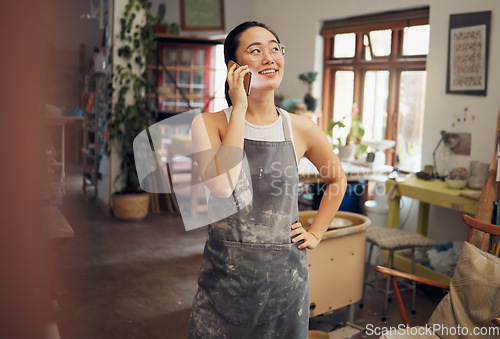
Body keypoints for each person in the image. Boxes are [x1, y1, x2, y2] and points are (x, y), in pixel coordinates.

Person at [188, 21, 347, 338]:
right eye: (256, 50)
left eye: (275, 48)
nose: (270, 57)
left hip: (285, 284)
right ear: (234, 67)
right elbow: (223, 185)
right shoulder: (207, 123)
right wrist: (240, 108)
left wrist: (315, 233)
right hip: (224, 284)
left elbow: (338, 181)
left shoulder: (301, 128)